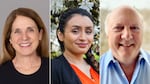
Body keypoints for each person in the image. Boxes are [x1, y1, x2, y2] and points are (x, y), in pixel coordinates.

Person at [100, 5, 150, 84]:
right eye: (118, 28)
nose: (127, 36)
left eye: (134, 28)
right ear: (107, 34)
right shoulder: (95, 69)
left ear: (142, 33)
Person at [0, 8, 49, 84]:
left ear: (40, 34)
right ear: (10, 38)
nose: (24, 37)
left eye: (30, 30)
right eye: (17, 31)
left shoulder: (55, 69)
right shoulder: (1, 73)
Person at [51, 8, 99, 84]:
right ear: (60, 35)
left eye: (88, 32)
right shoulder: (52, 69)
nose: (83, 38)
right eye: (75, 31)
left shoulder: (97, 68)